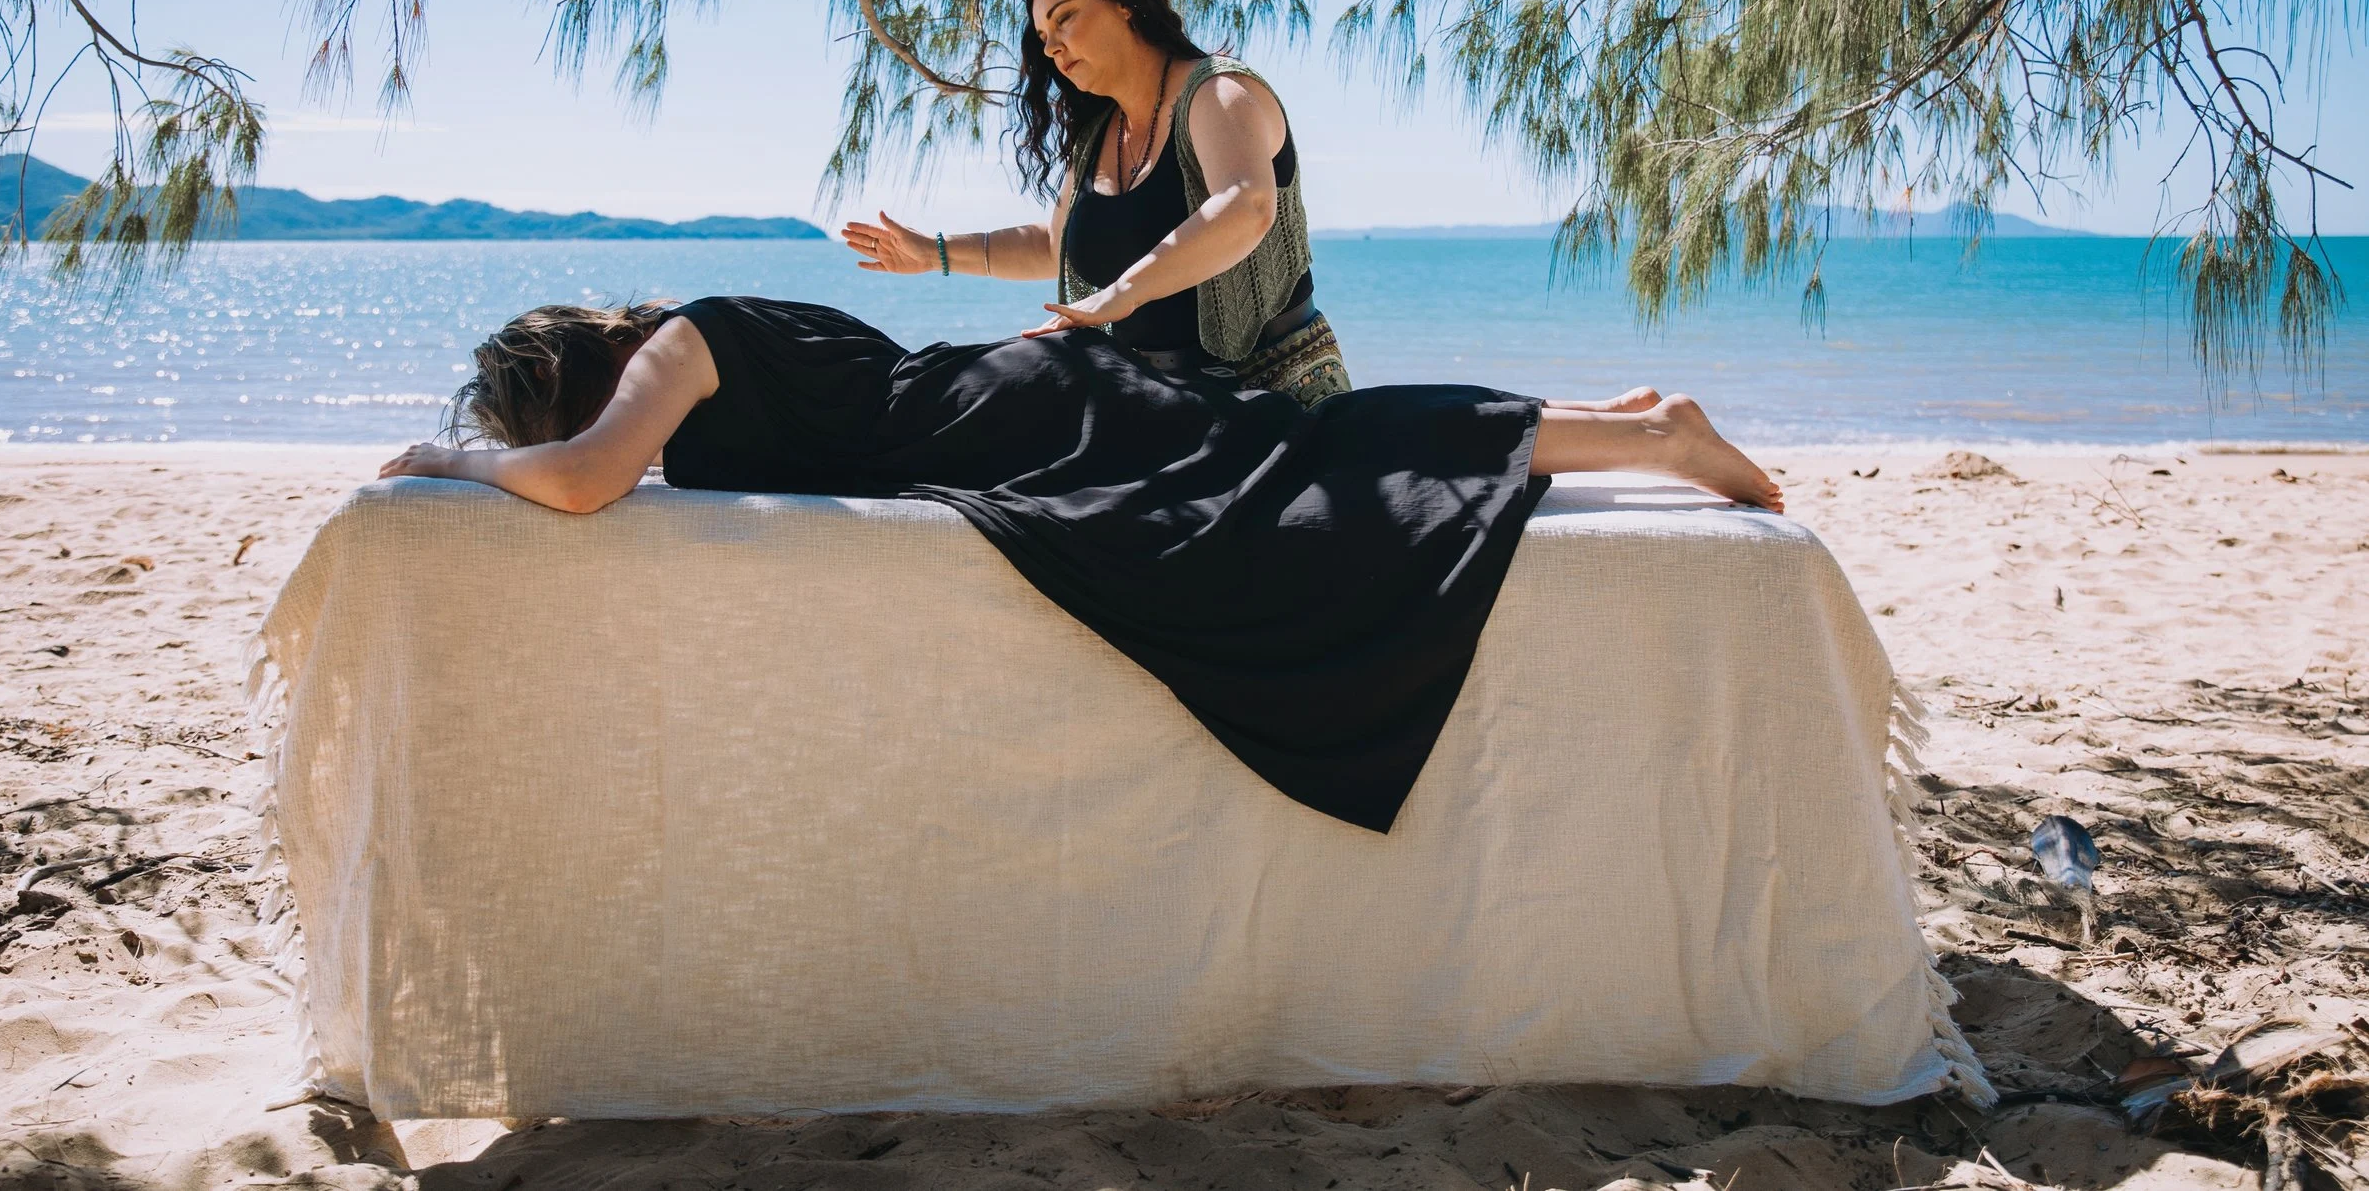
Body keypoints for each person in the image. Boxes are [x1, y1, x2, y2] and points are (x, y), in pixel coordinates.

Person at [383, 297, 1780, 833]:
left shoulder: (684, 342)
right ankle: (1624, 422)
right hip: (1014, 403)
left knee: (1288, 484)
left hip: (1016, 420)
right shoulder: (717, 336)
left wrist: (444, 466)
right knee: (1295, 453)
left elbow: (579, 483)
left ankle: (1648, 436)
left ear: (583, 373)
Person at [842, 0, 1352, 405]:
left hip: (1273, 395)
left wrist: (1122, 293)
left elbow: (1246, 205)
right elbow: (1051, 246)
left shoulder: (1218, 91)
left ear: (1124, 3)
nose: (1051, 47)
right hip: (1155, 401)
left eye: (1064, 19)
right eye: (1042, 35)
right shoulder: (1097, 136)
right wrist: (934, 254)